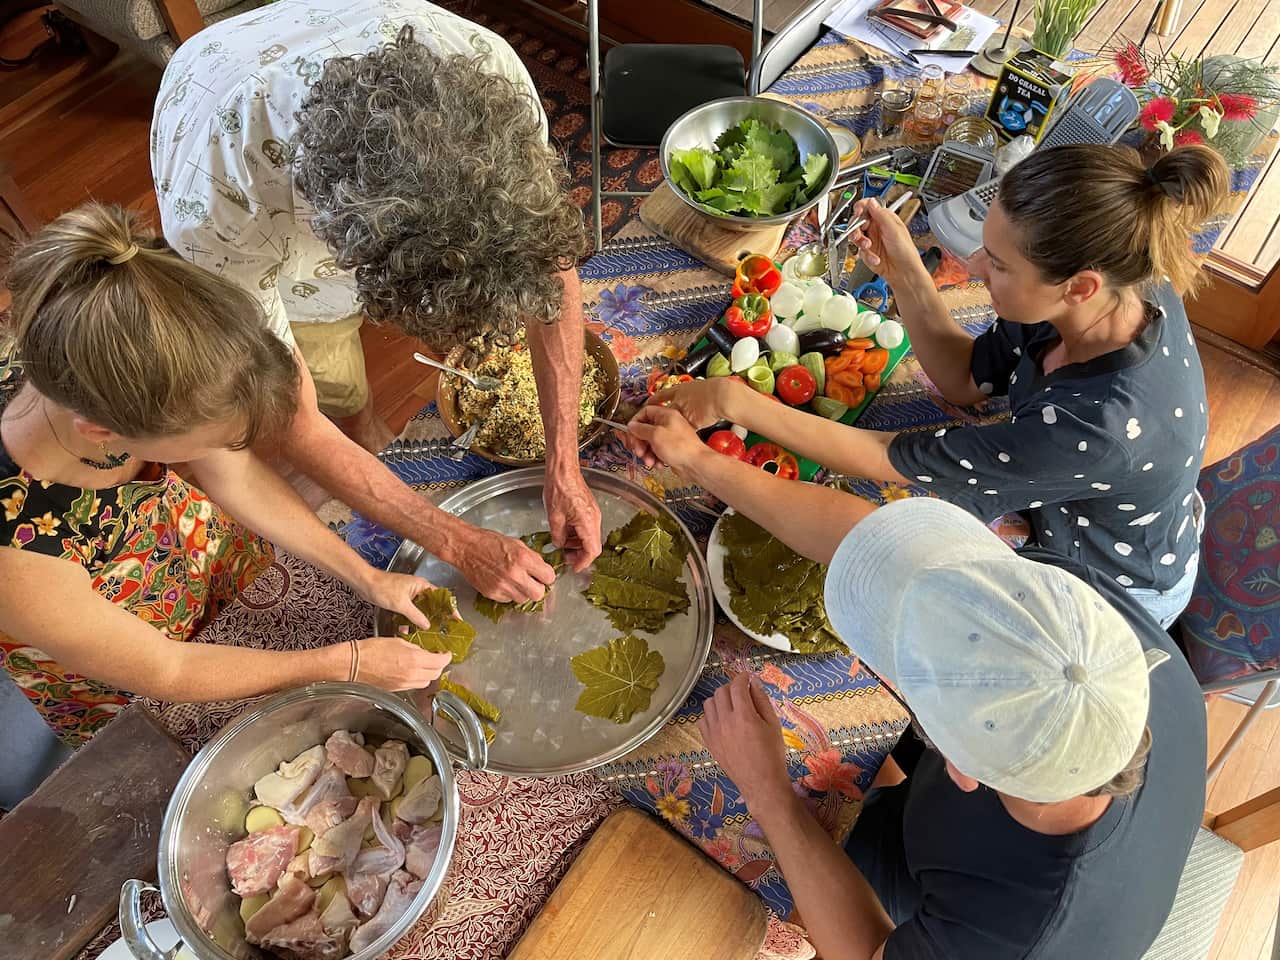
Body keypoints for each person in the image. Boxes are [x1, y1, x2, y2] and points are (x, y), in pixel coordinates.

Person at [626, 405, 1206, 960]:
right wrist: (703, 462)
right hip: (940, 823)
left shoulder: (1012, 935)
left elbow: (866, 949)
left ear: (957, 767)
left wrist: (767, 793)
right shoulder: (1100, 636)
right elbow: (867, 541)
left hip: (925, 889)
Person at [633, 144, 1228, 626]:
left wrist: (731, 411)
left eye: (997, 264)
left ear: (1079, 286)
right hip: (1070, 504)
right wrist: (905, 273)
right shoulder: (1122, 284)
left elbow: (887, 459)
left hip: (1103, 590)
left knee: (895, 553)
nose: (970, 270)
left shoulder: (1097, 428)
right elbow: (966, 378)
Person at [151, 1, 602, 608]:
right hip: (219, 106)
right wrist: (457, 542)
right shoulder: (219, 207)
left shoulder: (486, 73)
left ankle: (370, 427)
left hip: (341, 73)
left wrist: (563, 463)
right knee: (328, 373)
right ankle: (363, 424)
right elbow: (292, 416)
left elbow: (552, 267)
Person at [0, 204, 454, 746]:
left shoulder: (95, 355)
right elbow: (169, 669)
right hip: (133, 662)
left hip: (191, 550)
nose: (225, 451)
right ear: (102, 432)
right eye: (207, 444)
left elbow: (234, 475)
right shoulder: (14, 562)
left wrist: (369, 577)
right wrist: (344, 662)